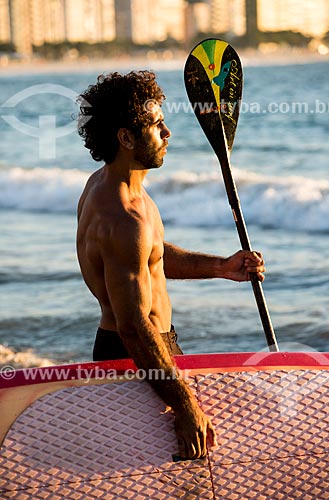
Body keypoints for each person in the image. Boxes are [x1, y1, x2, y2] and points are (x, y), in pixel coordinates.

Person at [76, 70, 266, 460]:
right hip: (137, 357)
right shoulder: (124, 218)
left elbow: (153, 256)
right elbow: (132, 324)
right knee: (181, 468)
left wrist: (221, 266)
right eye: (155, 124)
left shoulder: (109, 186)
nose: (167, 133)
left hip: (142, 350)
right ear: (126, 138)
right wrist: (185, 405)